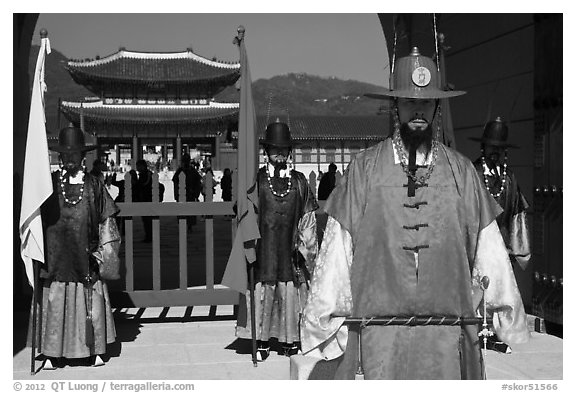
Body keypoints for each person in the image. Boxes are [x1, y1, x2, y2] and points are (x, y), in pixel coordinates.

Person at [298, 47, 529, 379]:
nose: (417, 109)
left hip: (447, 335)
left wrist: (503, 312)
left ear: (436, 106)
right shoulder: (365, 169)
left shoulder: (461, 172)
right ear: (395, 106)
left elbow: (488, 245)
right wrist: (326, 317)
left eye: (425, 102)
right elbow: (337, 249)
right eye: (409, 101)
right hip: (380, 334)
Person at [33, 125, 120, 370]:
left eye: (74, 154)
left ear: (83, 156)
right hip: (56, 255)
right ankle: (51, 352)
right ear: (60, 156)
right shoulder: (48, 186)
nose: (70, 158)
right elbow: (36, 218)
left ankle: (95, 350)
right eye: (65, 154)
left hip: (86, 254)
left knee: (90, 300)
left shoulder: (94, 185)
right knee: (56, 299)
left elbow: (107, 221)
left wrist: (105, 253)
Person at [235, 120, 319, 361]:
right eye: (275, 149)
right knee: (264, 292)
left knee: (290, 293)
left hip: (290, 249)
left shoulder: (300, 181)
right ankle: (261, 339)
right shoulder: (256, 182)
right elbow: (244, 216)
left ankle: (289, 339)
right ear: (266, 152)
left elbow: (308, 220)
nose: (280, 153)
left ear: (290, 152)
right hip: (264, 249)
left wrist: (307, 248)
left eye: (284, 149)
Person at [470, 116, 531, 352]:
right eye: (491, 147)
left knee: (501, 291)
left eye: (499, 148)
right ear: (482, 147)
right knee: (480, 287)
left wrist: (519, 248)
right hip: (478, 245)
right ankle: (474, 331)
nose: (494, 152)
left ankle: (497, 333)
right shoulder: (472, 173)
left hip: (503, 246)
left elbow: (517, 211)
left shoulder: (509, 177)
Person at [172, 153, 202, 227]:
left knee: (190, 211)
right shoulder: (180, 170)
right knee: (182, 212)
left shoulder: (192, 170)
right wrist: (176, 194)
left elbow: (198, 182)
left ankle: (189, 226)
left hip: (190, 194)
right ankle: (184, 225)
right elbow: (175, 181)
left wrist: (196, 193)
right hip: (182, 193)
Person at [134, 159, 153, 242]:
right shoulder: (144, 174)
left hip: (147, 198)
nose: (137, 168)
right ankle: (148, 235)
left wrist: (135, 182)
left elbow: (143, 184)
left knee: (148, 219)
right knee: (145, 220)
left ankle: (149, 236)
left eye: (138, 166)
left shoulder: (147, 174)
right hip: (144, 199)